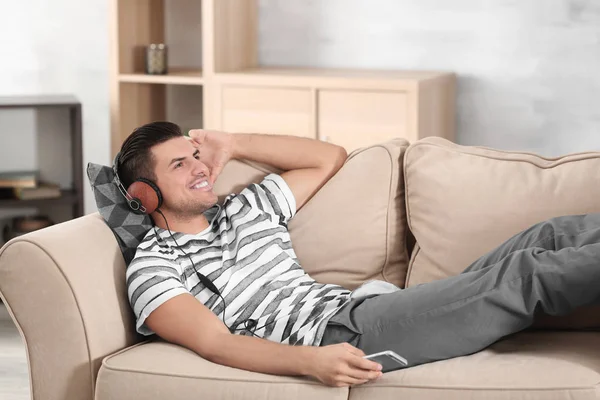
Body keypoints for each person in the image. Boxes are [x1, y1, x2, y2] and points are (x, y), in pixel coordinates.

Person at [118, 121, 600, 388]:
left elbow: (327, 157)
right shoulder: (155, 267)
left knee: (551, 235)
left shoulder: (246, 209)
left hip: (364, 305)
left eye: (196, 156)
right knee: (526, 274)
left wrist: (233, 142)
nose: (200, 169)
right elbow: (216, 344)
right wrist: (309, 361)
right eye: (180, 165)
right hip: (343, 333)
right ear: (144, 193)